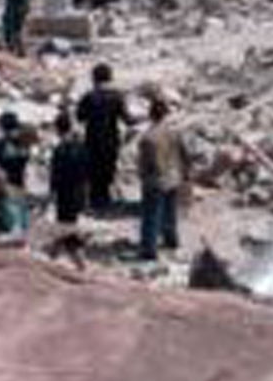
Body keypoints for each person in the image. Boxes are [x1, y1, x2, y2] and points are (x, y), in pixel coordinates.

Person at [135, 90, 188, 260]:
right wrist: (185, 173)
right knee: (170, 212)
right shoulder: (174, 132)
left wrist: (142, 177)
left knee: (150, 216)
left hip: (155, 180)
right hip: (173, 176)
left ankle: (149, 250)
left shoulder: (147, 138)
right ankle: (171, 241)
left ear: (151, 114)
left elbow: (145, 163)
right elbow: (184, 154)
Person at [75, 64, 130, 214]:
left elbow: (79, 117)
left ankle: (94, 202)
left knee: (93, 172)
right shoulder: (117, 96)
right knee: (108, 170)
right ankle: (105, 202)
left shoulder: (89, 97)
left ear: (94, 78)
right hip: (111, 140)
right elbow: (127, 119)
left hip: (92, 139)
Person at [0, 113, 33, 235]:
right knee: (22, 221)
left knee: (7, 223)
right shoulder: (24, 143)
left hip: (4, 188)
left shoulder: (1, 144)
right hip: (19, 187)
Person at [49, 108, 91, 233]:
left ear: (57, 129)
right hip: (77, 188)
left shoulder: (59, 149)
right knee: (73, 220)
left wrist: (52, 191)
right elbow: (86, 170)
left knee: (63, 221)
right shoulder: (80, 146)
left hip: (64, 190)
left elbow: (55, 172)